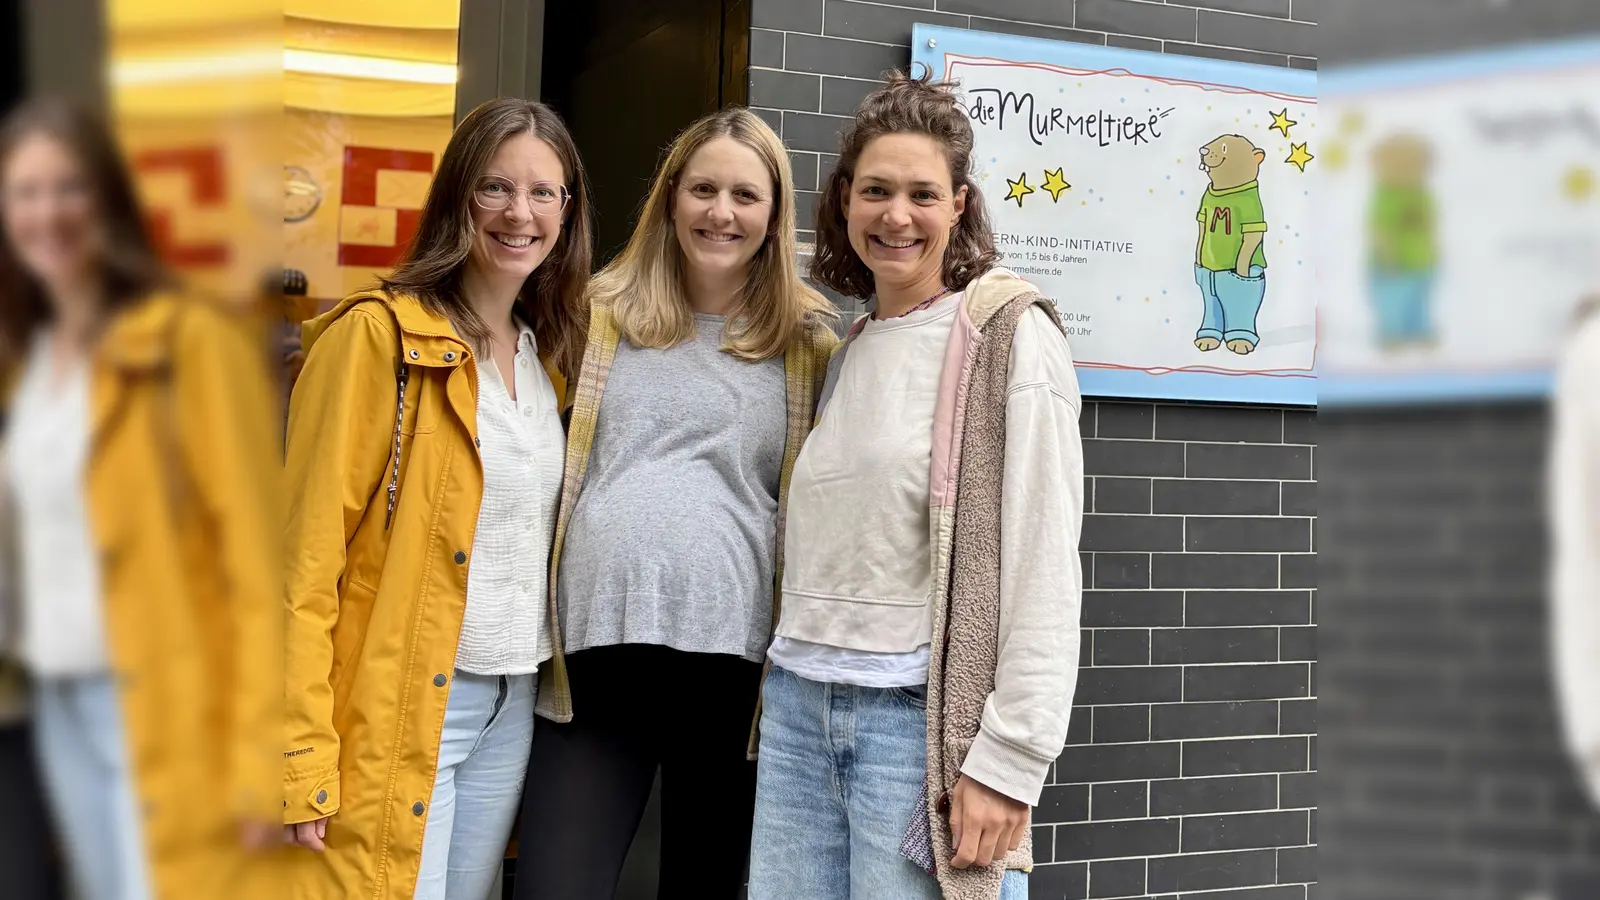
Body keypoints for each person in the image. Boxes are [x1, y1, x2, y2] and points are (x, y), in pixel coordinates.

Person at [747, 70, 1086, 900]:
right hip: (796, 710)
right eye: (876, 191)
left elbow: (1046, 559)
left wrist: (1010, 760)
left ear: (959, 206)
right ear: (844, 202)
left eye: (922, 194)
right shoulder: (850, 346)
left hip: (913, 725)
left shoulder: (1008, 337)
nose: (897, 216)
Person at [513, 106, 837, 900]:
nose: (720, 212)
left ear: (773, 213)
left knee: (706, 885)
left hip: (735, 672)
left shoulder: (811, 344)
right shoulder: (593, 316)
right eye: (701, 189)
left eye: (744, 196)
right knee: (555, 885)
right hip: (595, 654)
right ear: (669, 197)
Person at [281, 98, 591, 900]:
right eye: (495, 188)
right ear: (457, 198)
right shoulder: (375, 340)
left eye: (543, 192)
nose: (519, 213)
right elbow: (301, 566)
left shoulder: (547, 359)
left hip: (511, 704)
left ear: (568, 210)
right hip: (406, 703)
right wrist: (298, 755)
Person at [0, 97, 282, 900]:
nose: (45, 213)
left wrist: (261, 757)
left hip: (161, 701)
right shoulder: (34, 356)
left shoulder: (190, 341)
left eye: (68, 189)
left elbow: (255, 561)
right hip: (57, 692)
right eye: (24, 192)